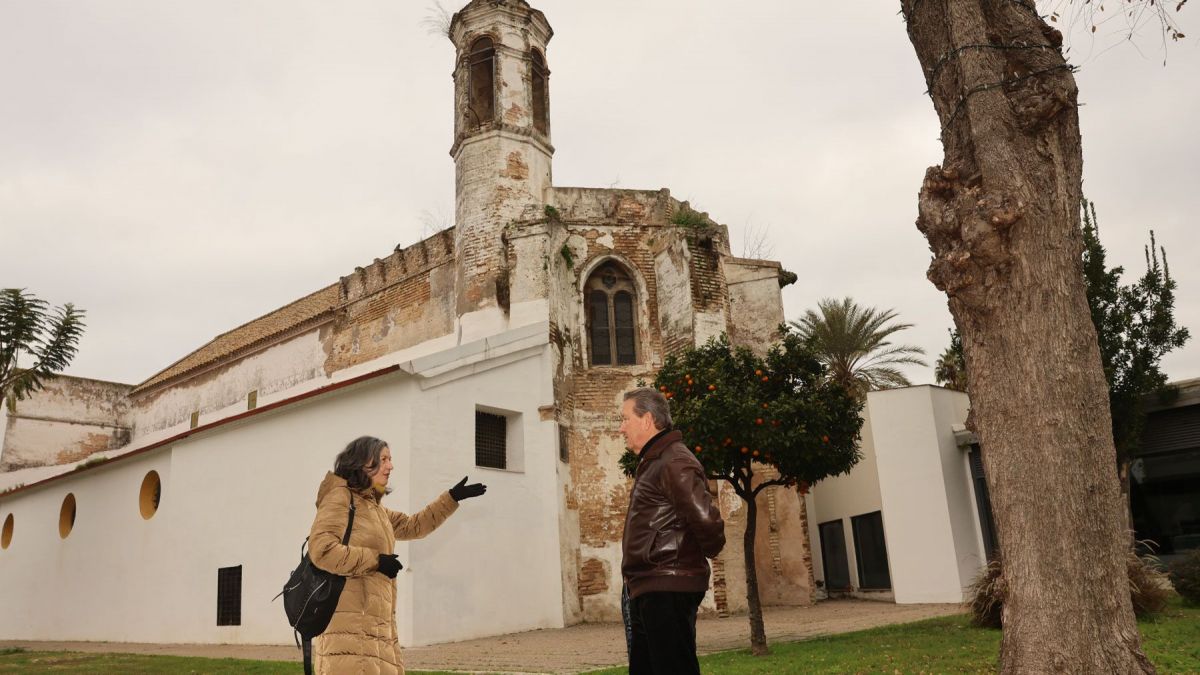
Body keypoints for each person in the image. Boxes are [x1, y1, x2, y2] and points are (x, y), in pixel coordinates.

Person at [307, 435, 486, 675]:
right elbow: (322, 551)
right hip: (348, 628)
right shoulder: (339, 498)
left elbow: (414, 526)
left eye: (390, 459)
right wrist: (376, 560)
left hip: (376, 627)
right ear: (363, 462)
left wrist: (451, 498)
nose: (390, 466)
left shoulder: (374, 508)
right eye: (384, 459)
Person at [619, 388, 725, 675]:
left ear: (647, 419)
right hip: (651, 585)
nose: (621, 427)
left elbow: (706, 520)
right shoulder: (656, 461)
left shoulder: (673, 460)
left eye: (625, 418)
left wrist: (690, 557)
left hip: (667, 586)